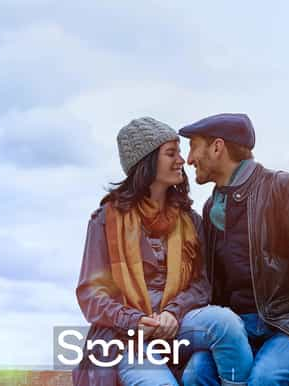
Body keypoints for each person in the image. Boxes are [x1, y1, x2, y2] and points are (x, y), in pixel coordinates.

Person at [178, 113, 289, 386]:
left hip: (288, 330)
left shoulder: (285, 188)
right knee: (195, 374)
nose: (189, 159)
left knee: (263, 380)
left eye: (193, 147)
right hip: (238, 332)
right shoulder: (211, 207)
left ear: (217, 147)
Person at [73, 117, 253, 386]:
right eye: (171, 153)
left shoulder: (190, 221)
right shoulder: (104, 220)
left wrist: (172, 313)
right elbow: (91, 295)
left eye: (179, 151)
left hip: (177, 325)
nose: (182, 160)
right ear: (145, 163)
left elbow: (201, 284)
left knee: (225, 324)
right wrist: (137, 321)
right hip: (126, 338)